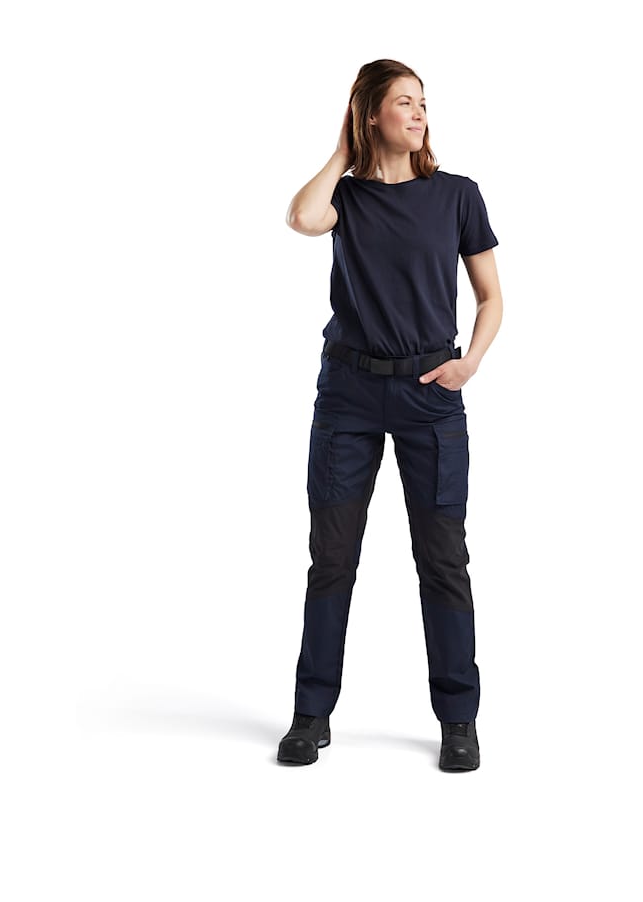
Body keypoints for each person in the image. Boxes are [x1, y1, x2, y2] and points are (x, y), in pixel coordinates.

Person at [277, 59, 503, 771]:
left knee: (443, 561)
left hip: (430, 396)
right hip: (347, 393)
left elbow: (491, 297)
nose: (419, 113)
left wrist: (469, 362)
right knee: (332, 559)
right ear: (371, 114)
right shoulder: (345, 198)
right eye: (403, 102)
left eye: (423, 103)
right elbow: (302, 218)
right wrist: (344, 149)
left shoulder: (458, 195)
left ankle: (459, 720)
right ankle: (311, 714)